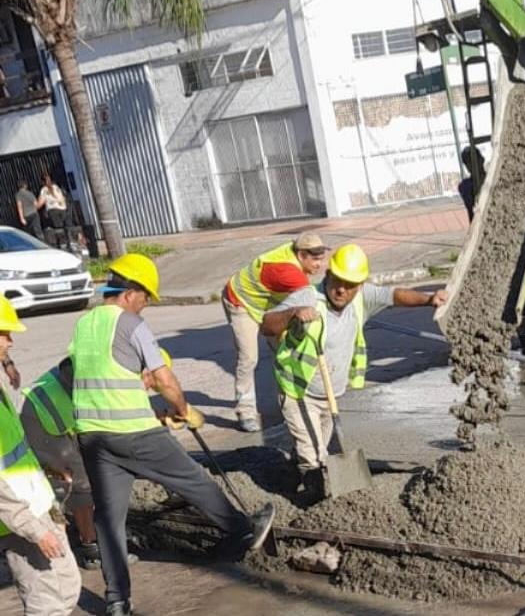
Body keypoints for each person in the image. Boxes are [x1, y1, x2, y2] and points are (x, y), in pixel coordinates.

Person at [73, 254, 273, 616]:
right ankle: (243, 529)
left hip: (92, 436)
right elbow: (163, 378)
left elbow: (102, 378)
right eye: (146, 296)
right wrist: (184, 411)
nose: (146, 304)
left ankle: (117, 601)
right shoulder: (131, 324)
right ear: (130, 292)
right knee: (192, 479)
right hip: (133, 433)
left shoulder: (85, 324)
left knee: (108, 519)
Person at [261, 244, 446, 499]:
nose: (341, 290)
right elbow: (267, 325)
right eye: (337, 281)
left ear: (359, 285)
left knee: (315, 445)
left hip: (331, 393)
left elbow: (394, 295)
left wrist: (428, 299)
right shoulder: (307, 297)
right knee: (314, 456)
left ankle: (288, 478)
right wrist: (293, 314)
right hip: (298, 390)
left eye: (350, 285)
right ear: (328, 275)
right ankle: (316, 504)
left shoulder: (361, 297)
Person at [21, 351, 170, 569]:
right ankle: (92, 548)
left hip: (61, 410)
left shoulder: (120, 369)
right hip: (45, 416)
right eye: (151, 382)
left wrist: (160, 416)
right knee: (83, 483)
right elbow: (120, 418)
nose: (148, 389)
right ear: (145, 370)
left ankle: (101, 533)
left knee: (96, 470)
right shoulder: (115, 377)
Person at [0, 297, 81, 616]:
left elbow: (11, 448)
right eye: (4, 332)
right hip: (20, 519)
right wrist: (34, 529)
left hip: (35, 503)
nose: (11, 339)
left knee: (67, 587)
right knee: (46, 602)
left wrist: (44, 467)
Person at [222, 233, 329, 432]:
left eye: (322, 258)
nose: (320, 264)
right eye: (315, 259)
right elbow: (311, 300)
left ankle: (290, 405)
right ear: (301, 255)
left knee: (283, 352)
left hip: (269, 303)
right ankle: (245, 411)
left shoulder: (294, 260)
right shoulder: (288, 272)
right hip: (241, 302)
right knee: (249, 357)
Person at [457, 146, 486, 222]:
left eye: (473, 161)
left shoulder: (491, 179)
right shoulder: (465, 186)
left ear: (482, 159)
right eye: (467, 162)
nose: (471, 165)